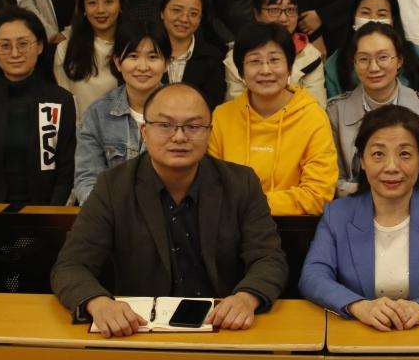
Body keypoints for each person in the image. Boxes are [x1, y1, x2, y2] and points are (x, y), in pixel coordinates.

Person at [51, 83, 289, 336]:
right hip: (139, 330)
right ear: (145, 131)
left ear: (209, 132)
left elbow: (269, 258)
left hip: (222, 326)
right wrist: (98, 303)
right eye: (165, 125)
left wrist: (246, 297)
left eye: (193, 126)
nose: (179, 137)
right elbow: (71, 265)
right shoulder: (113, 185)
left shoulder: (240, 183)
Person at [300, 105, 419, 328]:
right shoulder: (337, 214)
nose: (391, 167)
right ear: (362, 160)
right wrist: (358, 306)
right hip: (358, 333)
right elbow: (313, 276)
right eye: (378, 154)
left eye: (404, 154)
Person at [209, 23, 338, 215]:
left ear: (289, 67)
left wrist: (249, 203)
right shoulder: (222, 117)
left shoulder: (313, 118)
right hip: (231, 228)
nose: (265, 70)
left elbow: (317, 196)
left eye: (274, 60)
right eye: (255, 61)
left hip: (293, 228)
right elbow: (210, 188)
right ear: (241, 71)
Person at [0, 6, 76, 205]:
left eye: (23, 44)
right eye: (4, 46)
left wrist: (52, 215)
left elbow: (67, 170)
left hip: (45, 215)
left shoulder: (61, 100)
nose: (15, 53)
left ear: (40, 46)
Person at [328, 23, 419, 197]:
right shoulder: (335, 110)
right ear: (354, 64)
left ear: (399, 61)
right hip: (352, 205)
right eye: (364, 59)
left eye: (383, 57)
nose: (374, 67)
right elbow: (334, 180)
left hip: (408, 205)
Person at [71, 21, 171, 204]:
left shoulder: (183, 112)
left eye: (152, 57)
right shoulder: (97, 114)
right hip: (111, 215)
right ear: (118, 62)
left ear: (167, 63)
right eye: (133, 56)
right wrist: (108, 214)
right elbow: (87, 179)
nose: (142, 66)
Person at [225, 0, 327, 104]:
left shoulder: (311, 56)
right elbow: (235, 107)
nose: (283, 18)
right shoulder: (238, 55)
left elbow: (317, 106)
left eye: (290, 10)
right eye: (274, 10)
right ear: (256, 14)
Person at [325, 0, 419, 99]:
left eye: (382, 14)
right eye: (365, 12)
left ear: (393, 20)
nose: (372, 19)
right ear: (354, 18)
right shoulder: (335, 62)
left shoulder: (416, 54)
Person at [54, 0, 123, 116]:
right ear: (83, 8)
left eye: (109, 2)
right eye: (92, 3)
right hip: (81, 128)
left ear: (121, 5)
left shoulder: (135, 47)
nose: (100, 10)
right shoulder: (65, 49)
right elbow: (65, 103)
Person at [158, 0, 227, 110]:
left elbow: (213, 107)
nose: (184, 19)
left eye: (193, 14)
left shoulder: (213, 58)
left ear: (200, 19)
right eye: (176, 10)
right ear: (162, 12)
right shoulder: (145, 52)